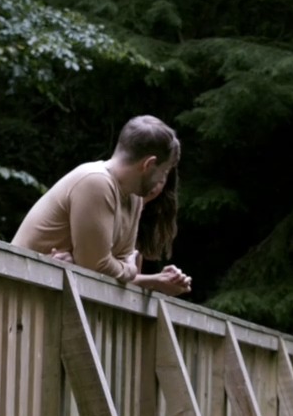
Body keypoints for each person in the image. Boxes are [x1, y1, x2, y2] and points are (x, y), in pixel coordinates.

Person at [12, 115, 192, 295]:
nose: (163, 180)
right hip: (14, 296)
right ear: (149, 164)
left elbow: (112, 265)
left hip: (45, 299)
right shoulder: (96, 182)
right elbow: (98, 267)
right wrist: (128, 268)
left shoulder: (134, 198)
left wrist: (85, 263)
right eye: (164, 171)